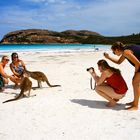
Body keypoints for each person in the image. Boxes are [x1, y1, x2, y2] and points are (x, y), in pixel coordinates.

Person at [104, 42, 140, 110]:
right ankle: (135, 102)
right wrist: (108, 57)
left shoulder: (126, 52)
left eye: (114, 52)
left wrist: (135, 74)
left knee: (135, 83)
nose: (114, 53)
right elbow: (119, 62)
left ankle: (135, 106)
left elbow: (138, 64)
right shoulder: (125, 51)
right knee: (135, 83)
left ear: (117, 49)